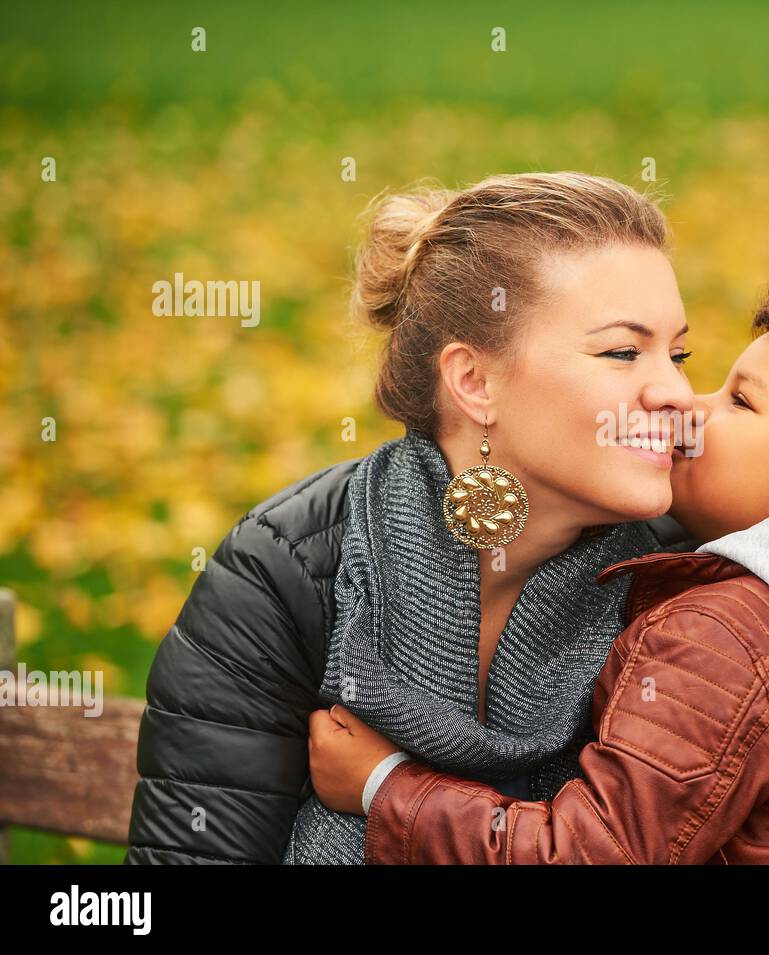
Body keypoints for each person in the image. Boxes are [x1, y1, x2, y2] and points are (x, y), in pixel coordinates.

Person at [310, 262, 769, 864]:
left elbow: (597, 853)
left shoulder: (724, 635)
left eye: (740, 402)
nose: (689, 408)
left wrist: (383, 784)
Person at [125, 171, 699, 863]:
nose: (675, 390)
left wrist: (390, 787)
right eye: (621, 352)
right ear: (474, 382)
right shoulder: (289, 571)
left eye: (679, 353)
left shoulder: (681, 582)